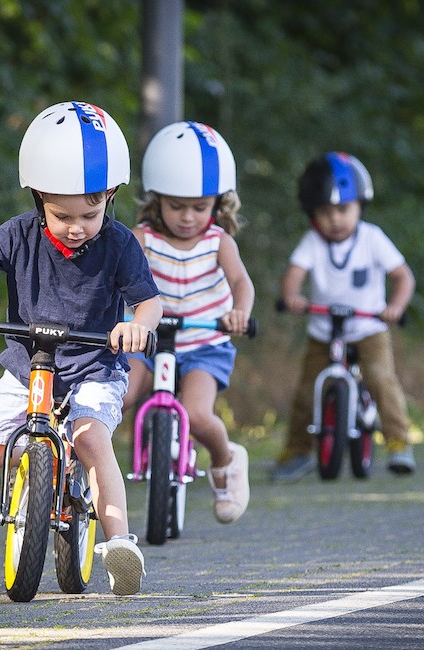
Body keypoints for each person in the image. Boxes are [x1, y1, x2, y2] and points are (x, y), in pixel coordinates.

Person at [0, 101, 162, 596]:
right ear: (38, 195)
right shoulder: (17, 235)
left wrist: (136, 328)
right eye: (62, 214)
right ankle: (39, 474)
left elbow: (149, 303)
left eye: (90, 212)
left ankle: (121, 546)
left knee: (89, 438)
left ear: (110, 195)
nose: (77, 226)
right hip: (28, 366)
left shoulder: (120, 243)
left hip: (93, 367)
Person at [122, 121, 255, 523]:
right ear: (156, 200)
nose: (187, 217)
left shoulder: (219, 242)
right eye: (176, 206)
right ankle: (81, 476)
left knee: (197, 415)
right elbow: (115, 279)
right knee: (121, 397)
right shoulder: (141, 238)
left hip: (203, 342)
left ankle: (226, 462)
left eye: (200, 207)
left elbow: (240, 283)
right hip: (146, 338)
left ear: (218, 204)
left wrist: (239, 313)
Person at [273, 151, 416, 482]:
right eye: (325, 212)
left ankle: (398, 441)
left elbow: (403, 277)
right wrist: (292, 296)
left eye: (343, 210)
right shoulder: (313, 242)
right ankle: (297, 451)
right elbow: (294, 273)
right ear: (312, 214)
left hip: (369, 327)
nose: (335, 219)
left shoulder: (372, 238)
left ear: (360, 207)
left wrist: (395, 306)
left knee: (381, 377)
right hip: (324, 330)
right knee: (308, 390)